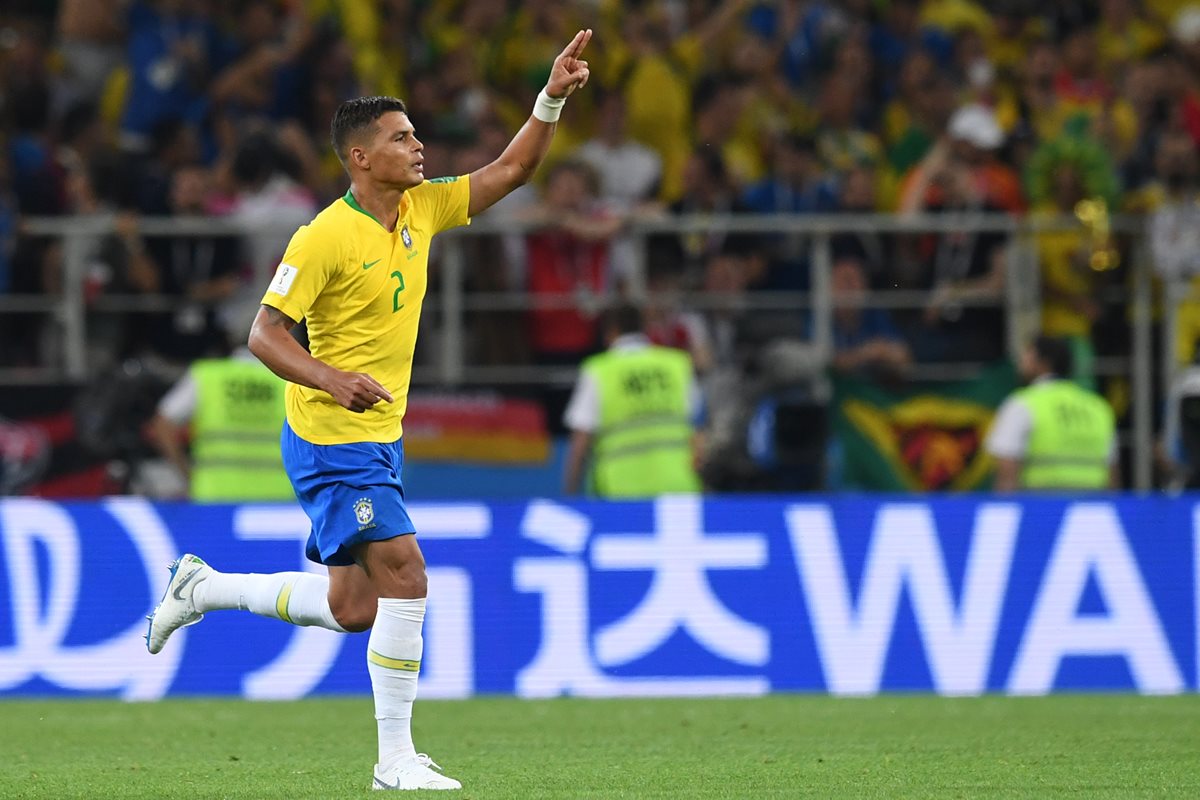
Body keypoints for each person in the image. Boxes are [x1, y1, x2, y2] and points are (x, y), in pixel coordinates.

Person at [145, 29, 593, 792]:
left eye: (416, 134)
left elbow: (513, 169)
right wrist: (329, 378)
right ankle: (394, 762)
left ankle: (203, 588)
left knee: (355, 607)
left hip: (377, 438)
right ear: (361, 156)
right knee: (408, 576)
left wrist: (550, 95)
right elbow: (262, 332)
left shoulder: (421, 209)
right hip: (331, 436)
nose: (419, 146)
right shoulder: (323, 235)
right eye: (401, 137)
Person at [562, 303, 704, 498]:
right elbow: (697, 431)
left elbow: (580, 441)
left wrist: (570, 492)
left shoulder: (599, 370)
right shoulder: (677, 364)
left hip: (620, 493)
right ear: (644, 328)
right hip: (679, 488)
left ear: (610, 332)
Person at [147, 316, 291, 502]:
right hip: (277, 501)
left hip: (214, 500)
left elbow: (161, 425)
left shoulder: (208, 376)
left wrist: (188, 475)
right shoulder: (289, 381)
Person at [985, 335, 1117, 492]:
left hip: (1040, 507)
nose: (1020, 362)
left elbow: (1006, 467)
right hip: (1092, 508)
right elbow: (1112, 472)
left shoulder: (1023, 403)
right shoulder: (1098, 406)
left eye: (1027, 355)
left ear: (1044, 362)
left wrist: (1004, 509)